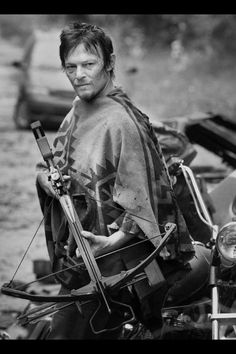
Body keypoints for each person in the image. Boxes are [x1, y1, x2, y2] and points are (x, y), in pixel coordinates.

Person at [35, 22, 202, 340]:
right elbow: (56, 166)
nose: (79, 75)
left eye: (89, 64)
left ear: (109, 64)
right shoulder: (78, 111)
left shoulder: (121, 121)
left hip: (120, 267)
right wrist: (48, 180)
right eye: (71, 67)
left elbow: (144, 197)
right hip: (84, 259)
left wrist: (115, 241)